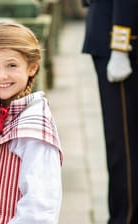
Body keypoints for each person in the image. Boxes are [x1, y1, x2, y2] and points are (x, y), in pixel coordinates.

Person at [0, 22, 63, 224]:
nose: (0, 76)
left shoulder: (34, 128)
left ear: (32, 67)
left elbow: (40, 209)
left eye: (12, 65)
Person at [82, 1, 138, 223]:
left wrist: (120, 45)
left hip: (120, 39)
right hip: (110, 30)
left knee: (123, 143)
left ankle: (124, 217)